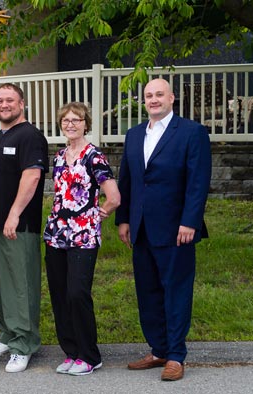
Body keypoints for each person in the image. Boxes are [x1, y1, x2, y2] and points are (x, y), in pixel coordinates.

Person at [116, 78, 211, 381]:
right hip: (141, 227)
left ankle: (176, 356)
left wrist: (190, 221)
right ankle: (158, 349)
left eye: (159, 94)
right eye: (148, 96)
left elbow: (198, 182)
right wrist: (123, 219)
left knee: (176, 290)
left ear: (171, 98)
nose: (153, 99)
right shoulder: (133, 135)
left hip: (176, 228)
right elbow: (128, 180)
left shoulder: (191, 133)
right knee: (147, 291)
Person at [43, 102, 121, 376]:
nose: (71, 124)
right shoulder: (58, 156)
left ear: (86, 124)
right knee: (60, 295)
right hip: (55, 235)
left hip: (83, 237)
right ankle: (71, 352)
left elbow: (114, 196)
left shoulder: (94, 156)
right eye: (66, 120)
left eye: (76, 120)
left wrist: (98, 214)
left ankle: (90, 355)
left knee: (77, 294)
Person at [0, 83, 48, 373]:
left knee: (20, 285)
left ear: (22, 104)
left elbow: (31, 177)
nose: (4, 105)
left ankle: (24, 343)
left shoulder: (30, 136)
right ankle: (8, 334)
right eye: (0, 100)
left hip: (17, 225)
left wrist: (14, 214)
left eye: (10, 100)